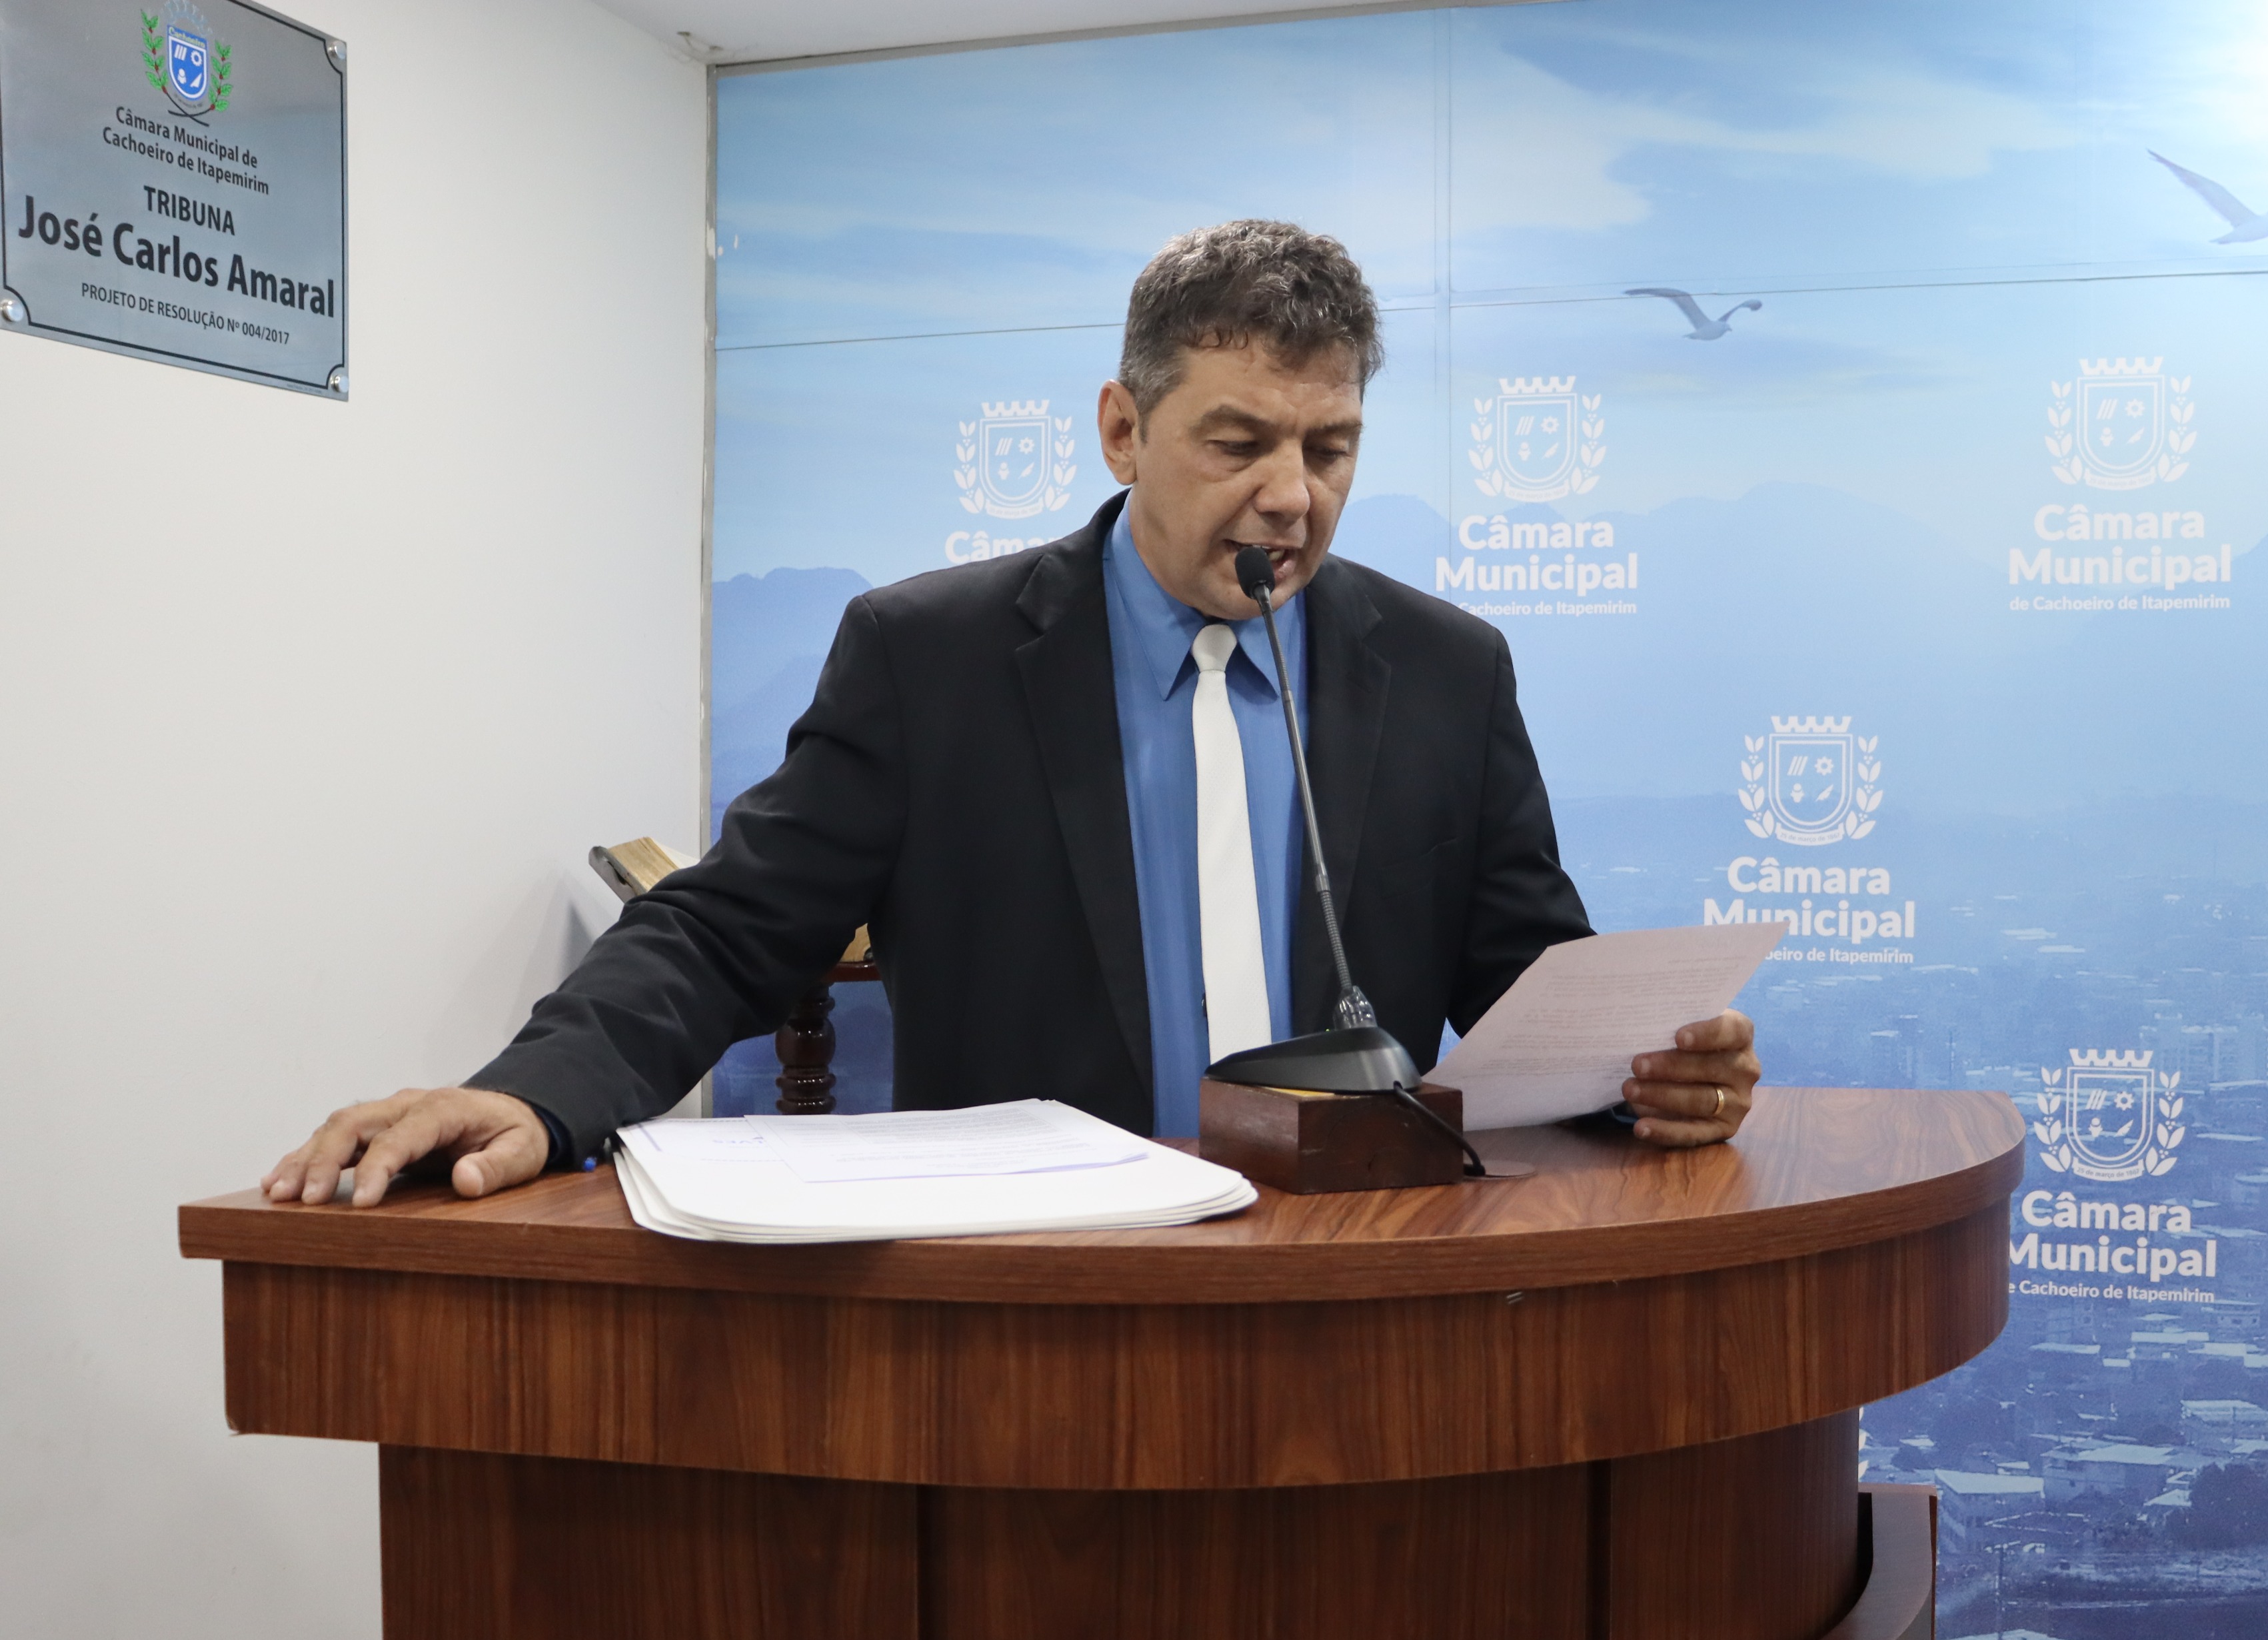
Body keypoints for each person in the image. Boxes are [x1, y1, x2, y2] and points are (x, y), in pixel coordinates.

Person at [263, 219, 1760, 1210]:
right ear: (1121, 428)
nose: (1290, 497)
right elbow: (726, 931)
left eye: (1330, 448)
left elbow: (1526, 989)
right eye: (1238, 441)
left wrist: (1652, 1074)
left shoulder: (1443, 668)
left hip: (1363, 1288)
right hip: (1035, 1313)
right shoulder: (931, 658)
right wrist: (531, 1096)